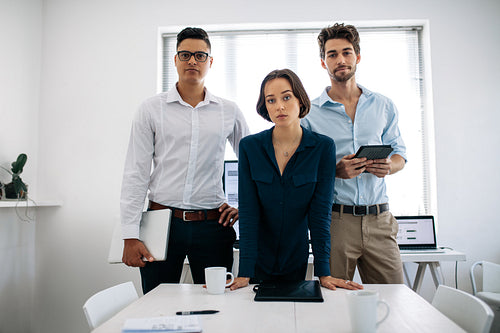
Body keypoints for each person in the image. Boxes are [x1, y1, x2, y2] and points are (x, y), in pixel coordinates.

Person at [120, 27, 250, 294]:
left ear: (210, 62)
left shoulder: (229, 111)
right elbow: (136, 173)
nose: (193, 61)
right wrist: (130, 234)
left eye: (200, 55)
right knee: (156, 303)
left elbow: (254, 166)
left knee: (217, 303)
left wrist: (245, 208)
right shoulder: (150, 109)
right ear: (176, 60)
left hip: (214, 226)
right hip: (161, 224)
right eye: (186, 54)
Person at [230, 69, 362, 291]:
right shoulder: (249, 147)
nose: (279, 106)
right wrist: (244, 273)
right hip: (259, 257)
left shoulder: (323, 148)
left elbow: (320, 216)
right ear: (265, 107)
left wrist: (324, 273)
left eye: (286, 97)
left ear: (300, 100)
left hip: (297, 255)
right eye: (271, 100)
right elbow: (249, 212)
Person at [301, 23, 407, 284]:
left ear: (357, 57)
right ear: (323, 62)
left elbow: (400, 154)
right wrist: (334, 171)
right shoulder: (309, 114)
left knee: (394, 298)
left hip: (380, 220)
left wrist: (388, 166)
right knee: (335, 302)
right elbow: (300, 169)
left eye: (347, 52)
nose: (340, 60)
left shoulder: (383, 105)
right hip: (336, 222)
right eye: (332, 54)